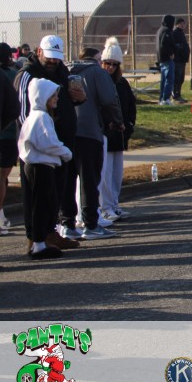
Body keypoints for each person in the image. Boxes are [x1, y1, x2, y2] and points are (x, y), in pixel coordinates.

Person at [16, 35, 83, 249]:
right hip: (39, 150)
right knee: (37, 196)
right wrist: (39, 141)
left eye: (57, 57)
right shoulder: (28, 74)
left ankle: (50, 231)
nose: (53, 61)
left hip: (59, 145)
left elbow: (65, 101)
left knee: (56, 193)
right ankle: (35, 236)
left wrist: (79, 98)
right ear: (39, 52)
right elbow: (23, 115)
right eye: (49, 56)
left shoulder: (61, 71)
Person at [68, 46, 123, 239]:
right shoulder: (97, 73)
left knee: (68, 181)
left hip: (67, 132)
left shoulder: (66, 70)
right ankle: (90, 223)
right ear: (95, 59)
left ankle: (67, 224)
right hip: (90, 132)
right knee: (90, 180)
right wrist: (118, 121)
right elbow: (109, 99)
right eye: (101, 59)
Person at [19, 78, 73, 259]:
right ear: (42, 96)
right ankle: (39, 245)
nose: (57, 98)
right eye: (53, 95)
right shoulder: (41, 117)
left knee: (42, 204)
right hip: (40, 167)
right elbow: (47, 143)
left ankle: (39, 242)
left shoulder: (34, 116)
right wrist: (65, 152)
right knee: (42, 205)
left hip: (37, 165)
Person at [98, 38, 136, 223]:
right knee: (105, 174)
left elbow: (130, 105)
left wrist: (129, 125)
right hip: (106, 134)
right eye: (108, 63)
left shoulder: (122, 83)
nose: (111, 67)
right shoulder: (99, 81)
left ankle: (114, 204)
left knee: (116, 174)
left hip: (120, 135)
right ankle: (105, 207)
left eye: (115, 64)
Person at [0, 43, 19, 235]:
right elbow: (15, 107)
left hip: (6, 131)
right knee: (2, 176)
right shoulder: (12, 76)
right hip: (8, 133)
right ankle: (0, 214)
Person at [156, 14, 176, 105]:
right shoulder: (166, 31)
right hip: (167, 58)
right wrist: (170, 53)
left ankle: (162, 98)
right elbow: (164, 43)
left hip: (161, 59)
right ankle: (166, 98)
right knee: (169, 79)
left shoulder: (160, 30)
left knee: (163, 79)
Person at [171, 18, 190, 104]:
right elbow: (173, 46)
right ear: (176, 24)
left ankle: (178, 94)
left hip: (182, 60)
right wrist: (179, 49)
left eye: (183, 23)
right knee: (177, 78)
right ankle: (175, 95)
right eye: (181, 23)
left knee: (181, 79)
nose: (182, 25)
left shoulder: (181, 33)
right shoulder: (174, 33)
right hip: (177, 60)